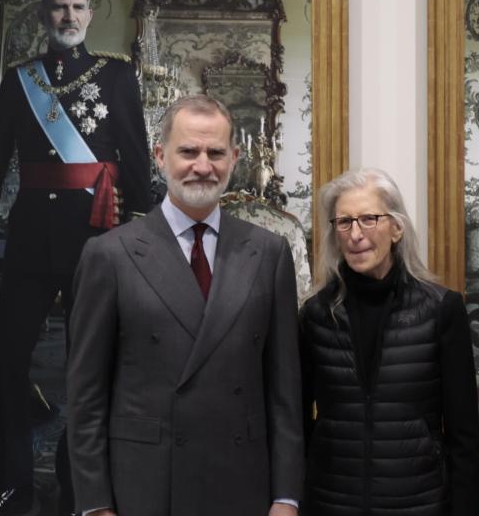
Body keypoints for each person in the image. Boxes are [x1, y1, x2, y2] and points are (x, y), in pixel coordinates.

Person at [0, 0, 150, 516]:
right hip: (29, 240)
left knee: (87, 367)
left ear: (90, 14)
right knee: (5, 357)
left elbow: (136, 158)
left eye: (77, 7)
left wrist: (138, 236)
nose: (69, 17)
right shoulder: (19, 79)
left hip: (97, 239)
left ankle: (76, 486)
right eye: (59, 8)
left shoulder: (116, 75)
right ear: (43, 13)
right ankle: (13, 485)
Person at [65, 95, 303, 516]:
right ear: (160, 156)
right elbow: (86, 395)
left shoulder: (269, 253)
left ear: (234, 158)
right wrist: (95, 505)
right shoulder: (110, 254)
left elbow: (285, 394)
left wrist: (286, 497)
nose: (203, 166)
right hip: (145, 486)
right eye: (188, 151)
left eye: (216, 153)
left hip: (242, 483)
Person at [299, 168, 479, 516]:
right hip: (332, 503)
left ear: (397, 228)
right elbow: (298, 425)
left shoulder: (441, 309)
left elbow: (464, 438)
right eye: (344, 222)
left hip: (419, 503)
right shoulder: (315, 314)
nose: (356, 234)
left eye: (369, 219)